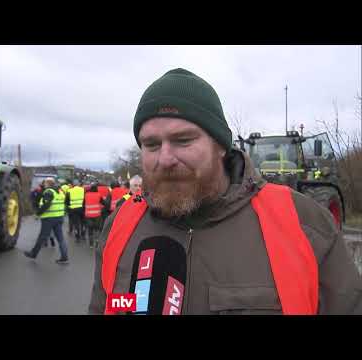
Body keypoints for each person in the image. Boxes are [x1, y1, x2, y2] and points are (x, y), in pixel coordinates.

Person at [88, 68, 362, 315]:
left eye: (183, 140)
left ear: (221, 146)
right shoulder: (120, 226)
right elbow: (106, 307)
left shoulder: (304, 225)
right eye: (151, 144)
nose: (165, 158)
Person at [24, 177, 69, 264]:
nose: (44, 184)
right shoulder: (60, 192)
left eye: (44, 183)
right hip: (59, 217)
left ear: (48, 184)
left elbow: (46, 205)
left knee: (42, 237)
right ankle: (64, 257)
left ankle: (33, 254)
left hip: (49, 218)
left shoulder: (48, 192)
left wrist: (38, 214)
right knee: (60, 239)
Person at [30, 182, 55, 247]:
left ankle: (45, 241)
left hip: (42, 210)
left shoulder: (40, 192)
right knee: (49, 226)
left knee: (44, 227)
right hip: (49, 211)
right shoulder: (48, 191)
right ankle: (51, 238)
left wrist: (37, 213)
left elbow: (33, 198)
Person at [83, 183, 105, 248]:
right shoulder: (99, 195)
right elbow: (104, 203)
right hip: (97, 215)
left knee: (90, 229)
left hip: (88, 215)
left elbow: (83, 204)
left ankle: (91, 244)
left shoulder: (86, 195)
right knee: (97, 229)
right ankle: (97, 241)